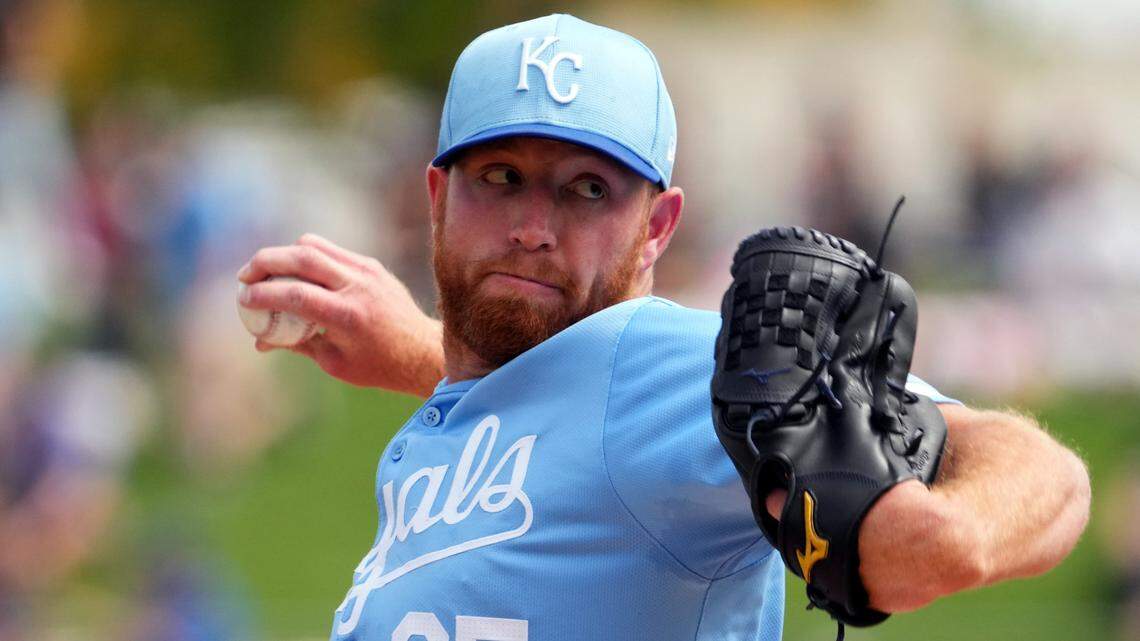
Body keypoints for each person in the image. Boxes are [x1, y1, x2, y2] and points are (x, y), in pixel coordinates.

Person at [237, 14, 1090, 641]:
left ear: (658, 227)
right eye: (500, 176)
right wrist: (423, 355)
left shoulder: (656, 360)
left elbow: (1051, 478)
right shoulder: (470, 418)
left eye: (587, 189)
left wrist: (951, 537)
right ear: (436, 201)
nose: (534, 223)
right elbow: (579, 442)